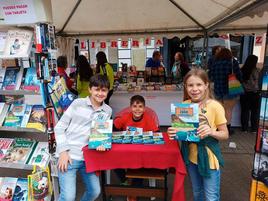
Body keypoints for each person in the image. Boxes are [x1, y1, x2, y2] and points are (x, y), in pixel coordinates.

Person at [167, 68, 229, 201]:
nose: (195, 89)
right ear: (185, 87)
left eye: (199, 84)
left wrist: (211, 131)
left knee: (211, 196)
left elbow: (225, 134)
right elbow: (182, 132)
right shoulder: (184, 105)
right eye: (190, 85)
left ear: (206, 85)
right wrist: (174, 132)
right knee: (197, 192)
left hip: (209, 158)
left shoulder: (215, 106)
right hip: (190, 157)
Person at [54, 74, 112, 201]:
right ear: (90, 89)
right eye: (97, 89)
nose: (100, 93)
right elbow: (59, 128)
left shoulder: (107, 111)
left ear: (108, 91)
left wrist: (101, 144)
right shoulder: (77, 103)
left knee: (94, 191)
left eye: (104, 90)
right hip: (69, 156)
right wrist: (63, 152)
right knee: (68, 197)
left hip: (88, 158)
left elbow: (100, 134)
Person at [114, 95, 159, 201]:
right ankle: (125, 180)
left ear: (144, 108)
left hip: (142, 151)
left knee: (139, 167)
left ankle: (134, 191)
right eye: (134, 106)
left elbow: (157, 134)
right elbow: (115, 128)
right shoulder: (125, 116)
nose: (137, 109)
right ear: (130, 108)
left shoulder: (149, 118)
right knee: (114, 161)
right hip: (127, 149)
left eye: (140, 106)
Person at [209, 48, 242, 134]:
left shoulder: (215, 63)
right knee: (228, 110)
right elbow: (239, 75)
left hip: (218, 89)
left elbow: (211, 76)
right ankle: (227, 129)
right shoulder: (232, 62)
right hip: (230, 90)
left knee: (219, 110)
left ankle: (218, 128)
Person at [240, 54, 260, 132]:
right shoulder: (256, 70)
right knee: (254, 112)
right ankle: (254, 128)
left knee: (244, 111)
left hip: (244, 93)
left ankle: (244, 128)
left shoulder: (242, 70)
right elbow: (256, 82)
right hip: (254, 93)